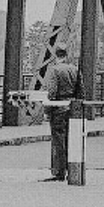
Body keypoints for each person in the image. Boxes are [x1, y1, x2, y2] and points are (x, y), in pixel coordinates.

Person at [43, 44, 80, 181]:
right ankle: (73, 170)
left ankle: (59, 172)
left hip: (58, 109)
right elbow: (81, 90)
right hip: (71, 108)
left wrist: (47, 110)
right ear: (66, 55)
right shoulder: (74, 69)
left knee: (58, 141)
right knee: (71, 140)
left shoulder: (54, 70)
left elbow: (51, 93)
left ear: (55, 55)